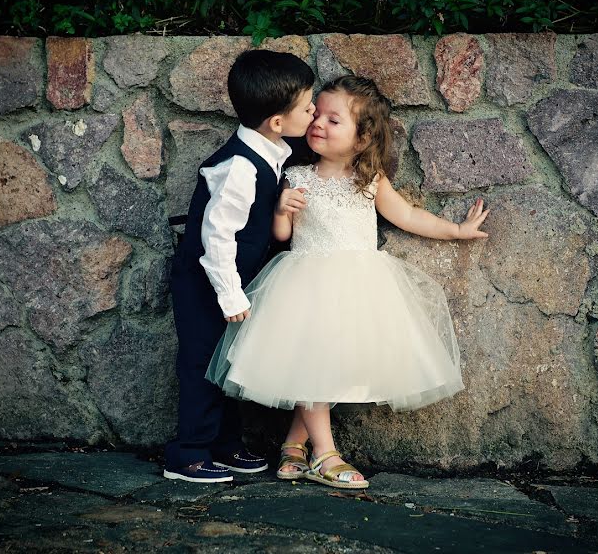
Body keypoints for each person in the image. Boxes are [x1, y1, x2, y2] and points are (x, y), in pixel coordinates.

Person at [206, 75, 489, 489]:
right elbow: (282, 236)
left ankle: (293, 446)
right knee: (314, 364)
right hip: (303, 285)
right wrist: (283, 209)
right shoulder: (298, 176)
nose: (318, 123)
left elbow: (408, 216)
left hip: (359, 288)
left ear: (361, 138)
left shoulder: (369, 180)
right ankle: (325, 453)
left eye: (333, 120)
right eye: (316, 114)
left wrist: (457, 231)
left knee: (330, 368)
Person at [164, 50, 316, 483]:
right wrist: (229, 294)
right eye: (307, 107)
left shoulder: (271, 150)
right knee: (200, 364)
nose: (314, 110)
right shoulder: (239, 168)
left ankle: (225, 445)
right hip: (205, 284)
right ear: (277, 122)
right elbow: (216, 238)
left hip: (234, 283)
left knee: (227, 364)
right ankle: (187, 454)